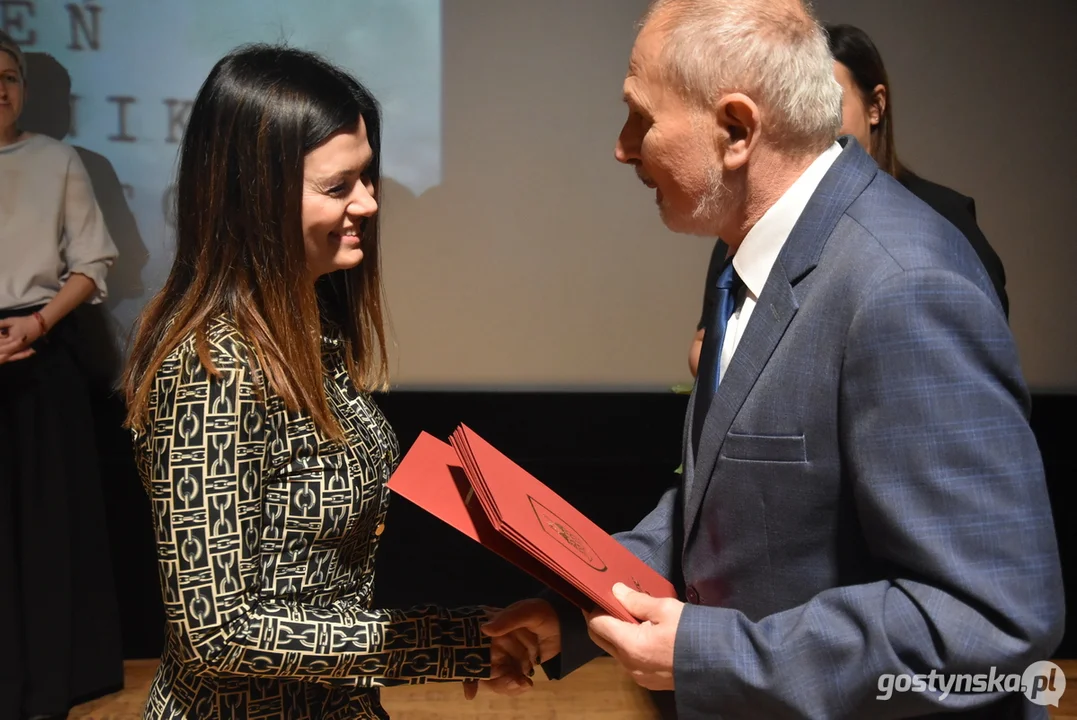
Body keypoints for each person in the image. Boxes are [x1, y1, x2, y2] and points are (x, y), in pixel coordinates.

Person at [479, 1, 1064, 717]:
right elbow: (734, 510)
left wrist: (710, 653)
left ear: (735, 129)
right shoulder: (760, 259)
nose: (622, 147)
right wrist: (573, 609)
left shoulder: (905, 287)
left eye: (641, 117)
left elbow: (988, 619)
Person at [122, 45, 535, 720]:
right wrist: (440, 645)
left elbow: (316, 594)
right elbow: (218, 634)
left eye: (366, 179)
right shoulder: (211, 371)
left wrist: (473, 630)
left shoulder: (311, 333)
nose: (369, 204)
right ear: (253, 196)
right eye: (338, 187)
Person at [687, 21, 1010, 377]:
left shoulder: (941, 216)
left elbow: (980, 355)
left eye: (832, 104)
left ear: (876, 106)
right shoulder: (753, 225)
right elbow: (707, 346)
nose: (816, 124)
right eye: (802, 108)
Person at [0, 29, 124, 720]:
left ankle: (47, 682)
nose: (1, 86)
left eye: (11, 75)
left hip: (39, 345)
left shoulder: (57, 159)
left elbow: (93, 263)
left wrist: (38, 325)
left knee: (44, 527)